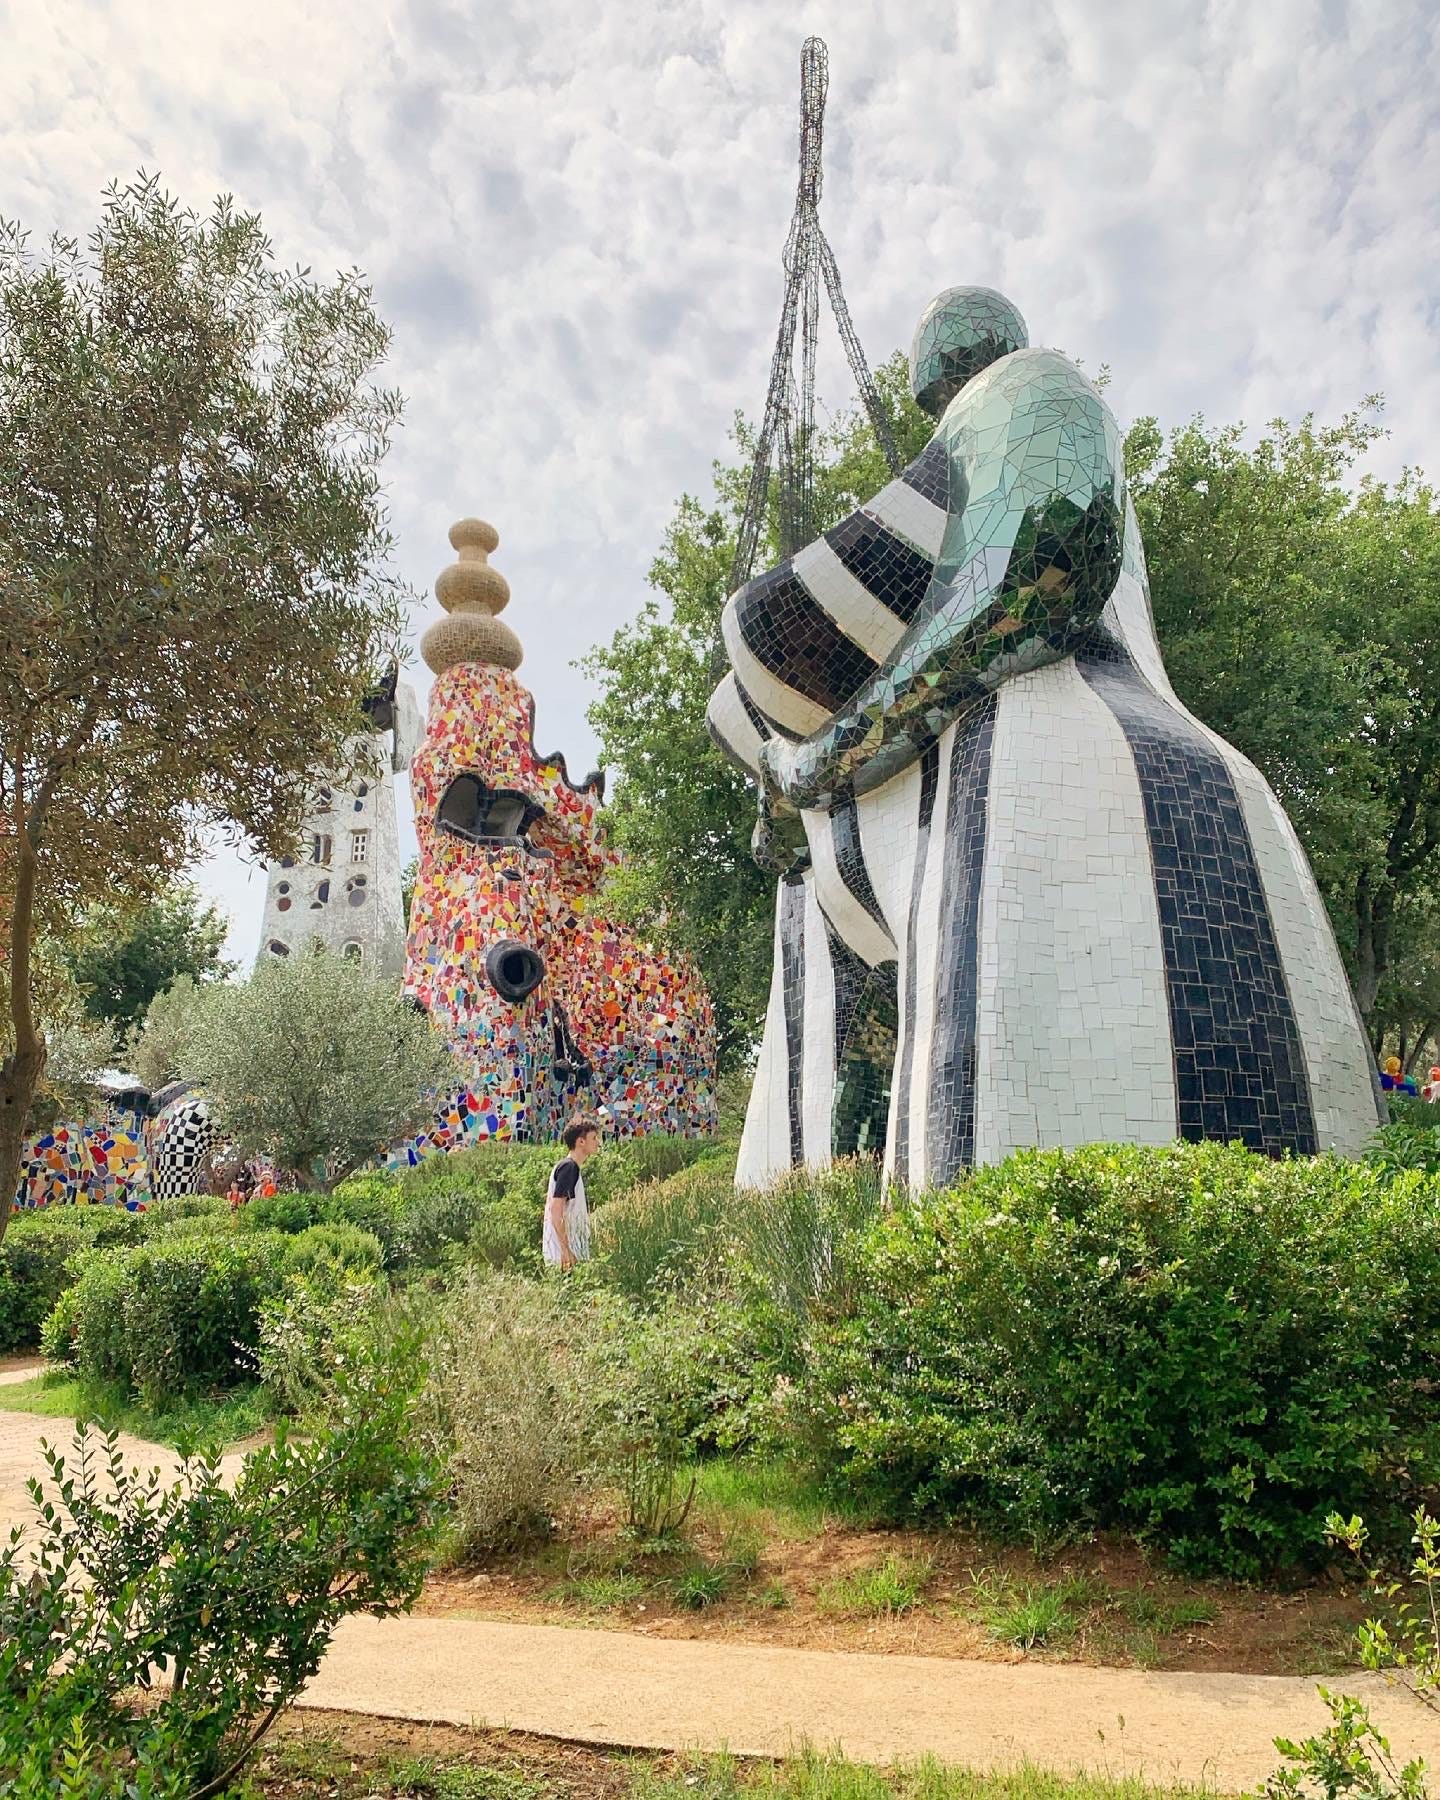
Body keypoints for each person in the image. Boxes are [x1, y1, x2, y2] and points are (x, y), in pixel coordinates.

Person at [543, 1114, 601, 1270]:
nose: (598, 1142)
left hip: (570, 1252)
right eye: (594, 1138)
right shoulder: (569, 1167)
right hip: (565, 1256)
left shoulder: (570, 1168)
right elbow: (556, 1209)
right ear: (581, 1141)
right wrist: (565, 1249)